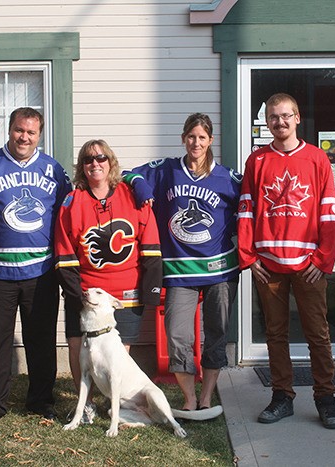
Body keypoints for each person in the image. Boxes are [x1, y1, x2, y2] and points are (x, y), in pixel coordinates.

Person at [0, 107, 72, 423]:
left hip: (40, 270)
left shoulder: (54, 171)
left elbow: (66, 217)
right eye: (19, 130)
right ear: (10, 130)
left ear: (39, 135)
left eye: (31, 132)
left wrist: (62, 261)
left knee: (41, 338)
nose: (24, 137)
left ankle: (40, 401)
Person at [237, 93, 335, 429]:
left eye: (285, 116)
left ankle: (326, 399)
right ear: (266, 121)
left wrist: (323, 260)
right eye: (273, 117)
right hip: (268, 265)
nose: (279, 122)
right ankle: (282, 396)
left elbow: (330, 211)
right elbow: (245, 209)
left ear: (297, 118)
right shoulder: (257, 160)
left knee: (317, 334)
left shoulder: (316, 159)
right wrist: (248, 256)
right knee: (275, 334)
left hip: (309, 266)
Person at [123, 113, 241, 411]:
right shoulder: (166, 170)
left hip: (220, 270)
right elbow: (129, 174)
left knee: (216, 333)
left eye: (202, 137)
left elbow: (252, 205)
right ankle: (188, 399)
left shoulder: (227, 177)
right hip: (179, 270)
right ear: (183, 138)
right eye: (191, 136)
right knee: (177, 335)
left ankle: (206, 397)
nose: (196, 142)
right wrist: (142, 188)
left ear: (210, 140)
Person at [55, 139, 162, 421]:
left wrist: (150, 290)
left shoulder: (132, 195)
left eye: (101, 158)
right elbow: (65, 251)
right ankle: (86, 404)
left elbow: (150, 244)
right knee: (79, 345)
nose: (95, 164)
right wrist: (75, 292)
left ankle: (116, 402)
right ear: (82, 167)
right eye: (88, 159)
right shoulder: (73, 202)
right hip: (87, 291)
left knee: (117, 352)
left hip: (125, 290)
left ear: (111, 162)